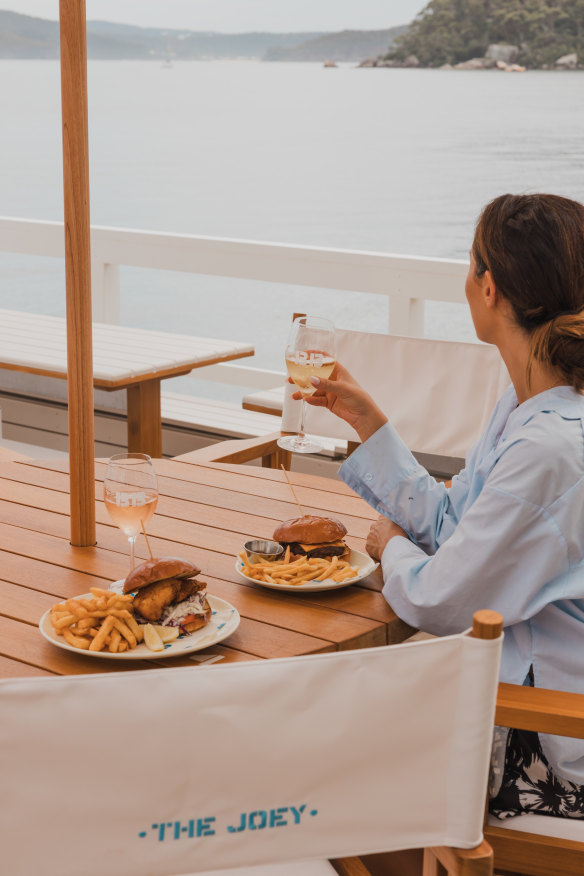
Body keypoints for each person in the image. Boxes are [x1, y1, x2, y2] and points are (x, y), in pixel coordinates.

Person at [297, 193, 584, 819]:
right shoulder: (528, 408)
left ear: (489, 288)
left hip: (549, 742)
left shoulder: (550, 448)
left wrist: (390, 546)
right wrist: (370, 424)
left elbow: (443, 598)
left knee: (320, 763)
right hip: (520, 695)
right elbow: (460, 528)